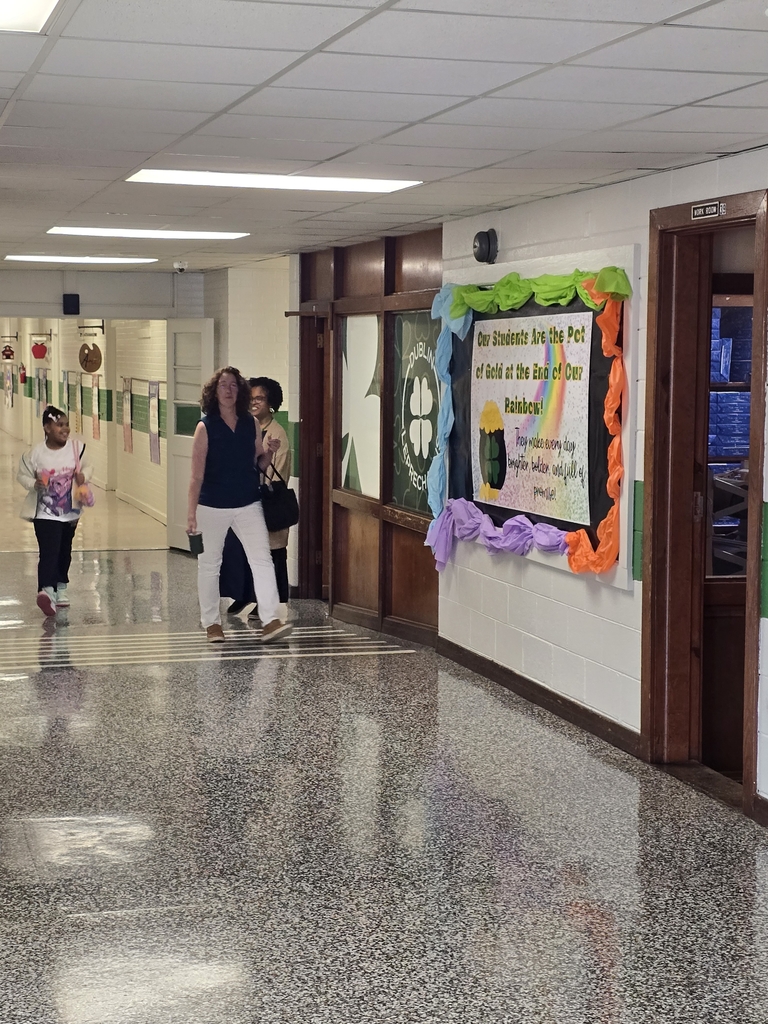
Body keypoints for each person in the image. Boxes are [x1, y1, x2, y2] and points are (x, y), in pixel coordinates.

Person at [188, 366, 292, 644]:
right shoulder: (205, 427)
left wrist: (269, 452)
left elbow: (259, 463)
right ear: (214, 391)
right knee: (210, 564)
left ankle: (270, 620)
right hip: (212, 505)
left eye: (234, 385)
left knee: (262, 559)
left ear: (241, 391)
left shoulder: (251, 423)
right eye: (223, 385)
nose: (229, 390)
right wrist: (191, 513)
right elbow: (196, 476)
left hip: (248, 502)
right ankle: (212, 624)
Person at [221, 376, 292, 619]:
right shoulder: (247, 427)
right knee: (242, 551)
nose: (254, 402)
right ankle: (244, 594)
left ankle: (266, 603)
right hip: (244, 501)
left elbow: (277, 474)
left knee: (270, 554)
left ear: (270, 403)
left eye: (260, 398)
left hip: (267, 504)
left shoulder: (277, 434)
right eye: (251, 398)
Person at [17, 405, 92, 617]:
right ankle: (46, 591)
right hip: (44, 512)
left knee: (64, 550)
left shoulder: (77, 448)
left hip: (70, 512)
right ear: (47, 428)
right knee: (49, 549)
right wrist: (33, 484)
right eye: (59, 425)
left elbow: (88, 467)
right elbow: (21, 475)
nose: (65, 429)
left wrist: (84, 476)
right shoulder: (35, 453)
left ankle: (61, 587)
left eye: (66, 425)